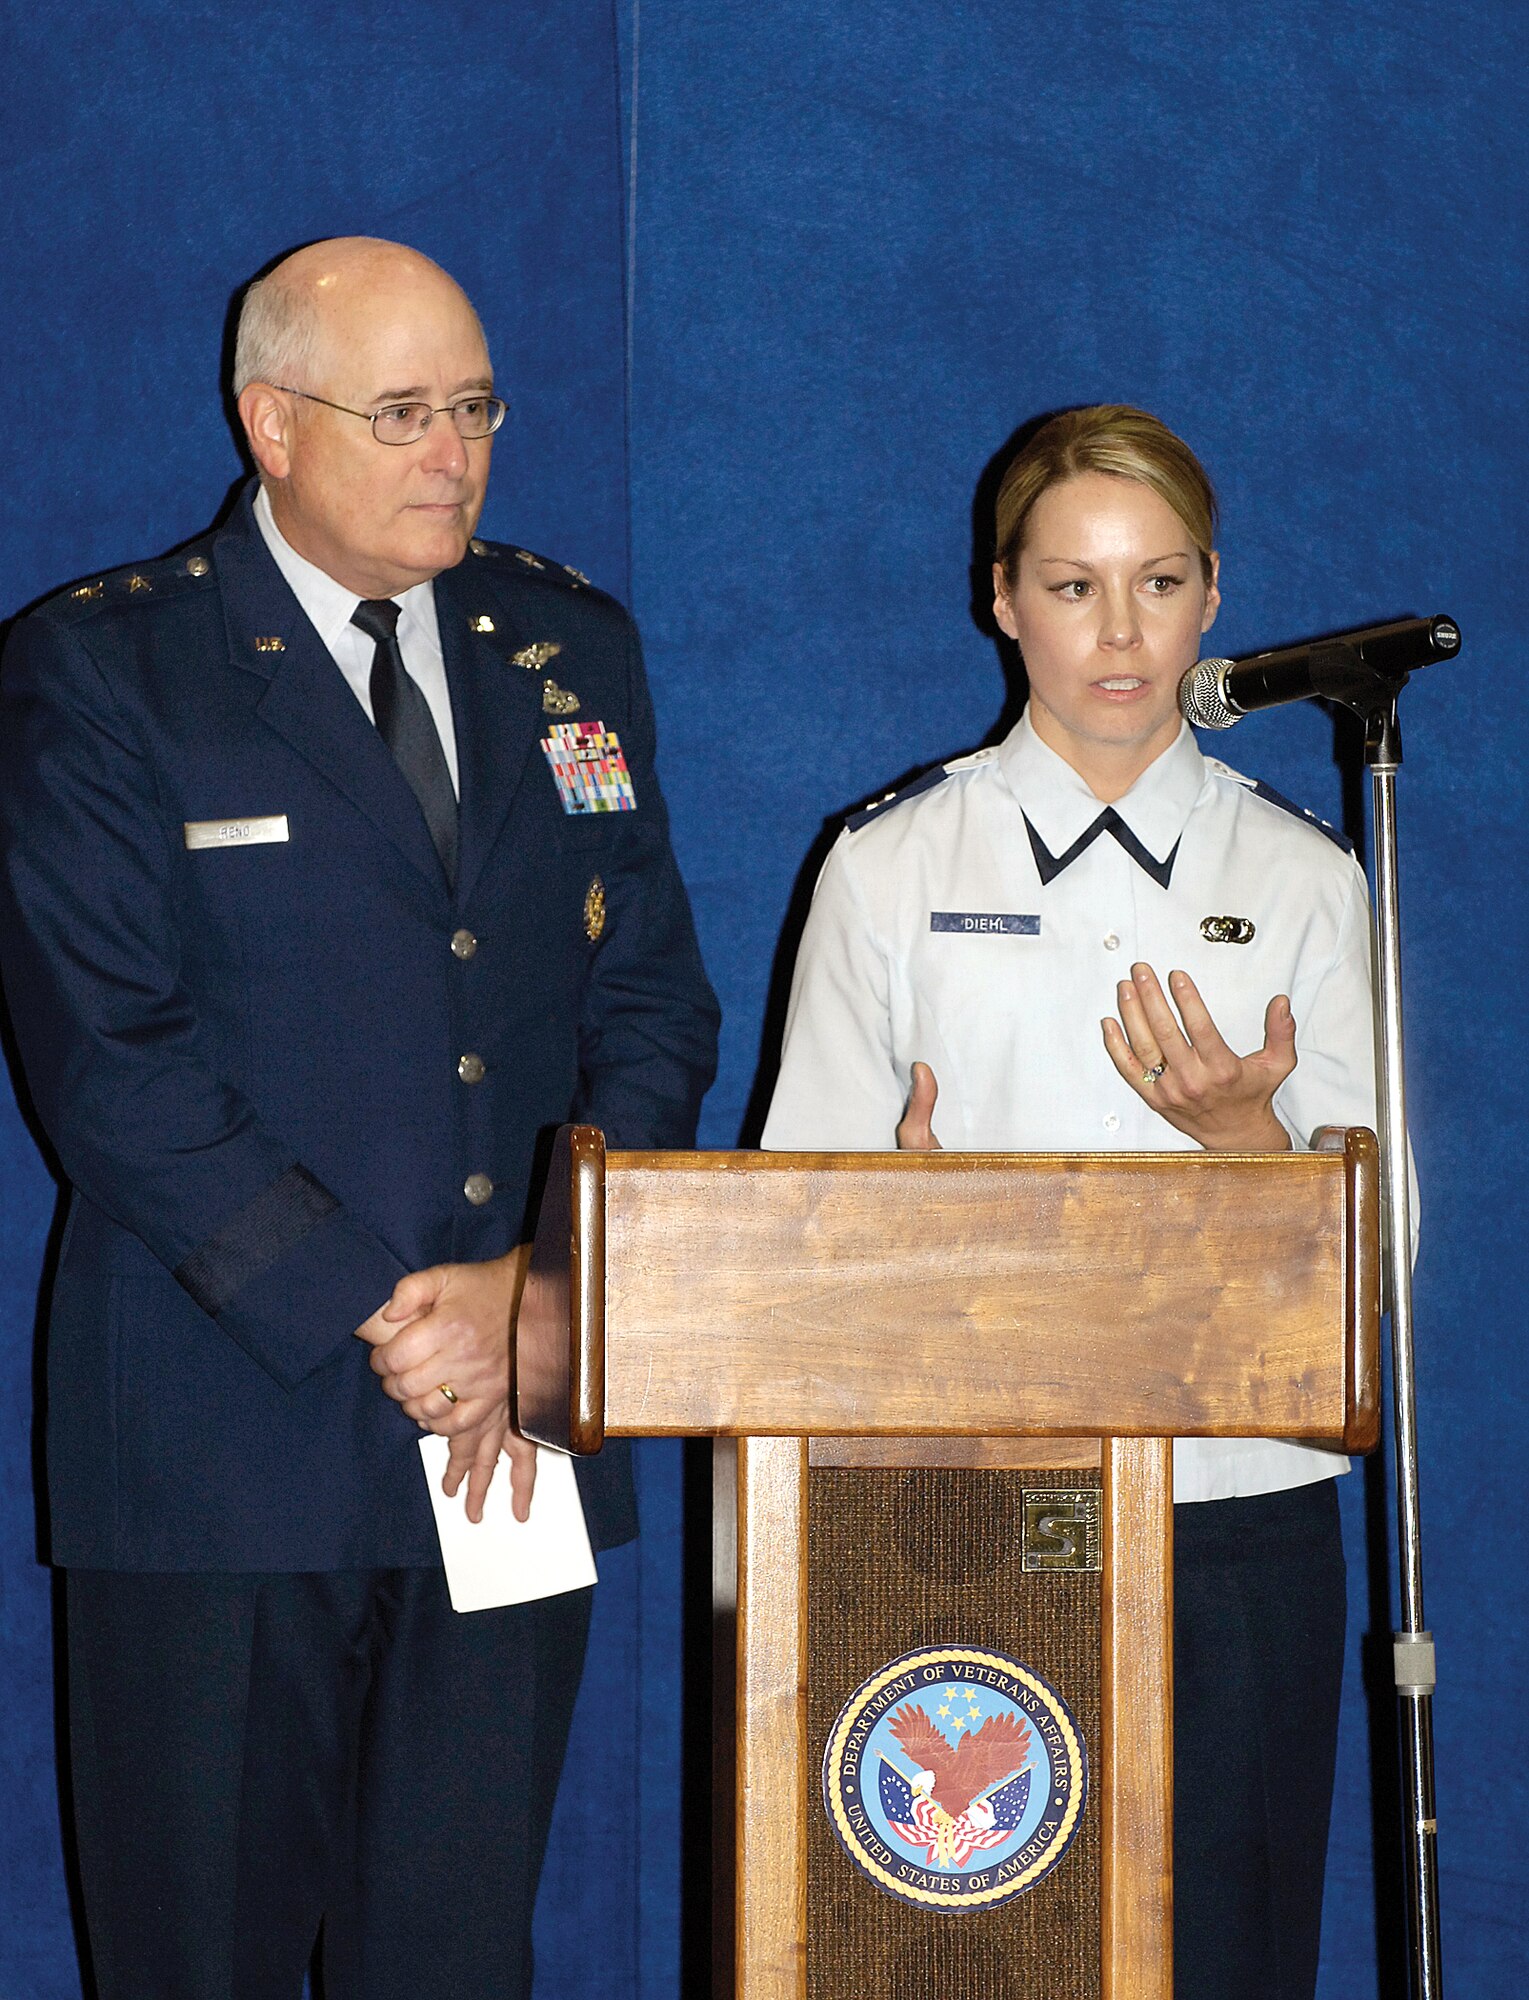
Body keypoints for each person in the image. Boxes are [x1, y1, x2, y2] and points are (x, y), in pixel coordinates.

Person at [0, 237, 718, 1999]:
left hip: (510, 1439)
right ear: (270, 423)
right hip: (222, 1441)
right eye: (399, 412)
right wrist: (397, 1314)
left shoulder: (564, 643)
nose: (450, 454)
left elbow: (650, 1004)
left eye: (472, 407)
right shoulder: (109, 670)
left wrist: (538, 1290)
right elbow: (113, 1063)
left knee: (459, 1961)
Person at [761, 405, 1380, 1999]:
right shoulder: (888, 867)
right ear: (999, 598)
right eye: (1072, 585)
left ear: (1212, 597)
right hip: (955, 1512)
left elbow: (1378, 1264)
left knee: (1232, 1954)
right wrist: (883, 1231)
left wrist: (1246, 1139)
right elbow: (778, 1259)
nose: (1119, 634)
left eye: (1157, 584)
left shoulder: (1305, 879)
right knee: (961, 1958)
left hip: (1233, 1515)